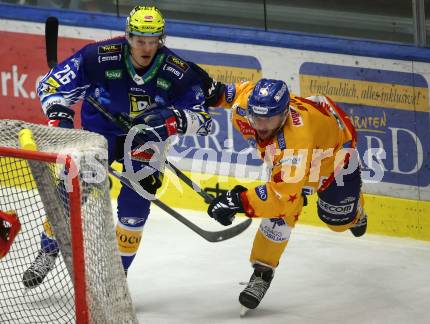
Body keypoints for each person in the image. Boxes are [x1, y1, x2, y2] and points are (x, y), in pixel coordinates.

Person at [23, 5, 211, 288]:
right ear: (128, 36)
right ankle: (48, 251)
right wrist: (59, 113)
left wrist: (173, 121)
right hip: (100, 134)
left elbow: (203, 120)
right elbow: (50, 86)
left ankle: (117, 278)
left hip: (146, 140)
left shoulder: (178, 72)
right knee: (71, 190)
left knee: (135, 205)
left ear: (162, 39)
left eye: (153, 40)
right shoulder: (97, 57)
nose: (147, 47)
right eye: (140, 40)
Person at [200, 74, 367, 312]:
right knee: (281, 215)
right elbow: (223, 92)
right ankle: (262, 272)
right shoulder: (247, 103)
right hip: (307, 142)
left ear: (285, 113)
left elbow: (279, 198)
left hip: (335, 153)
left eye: (270, 119)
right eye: (257, 117)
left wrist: (237, 201)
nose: (261, 125)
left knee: (337, 221)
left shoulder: (295, 143)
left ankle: (355, 211)